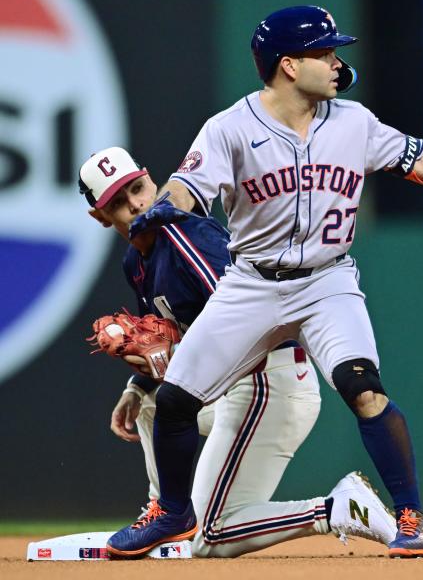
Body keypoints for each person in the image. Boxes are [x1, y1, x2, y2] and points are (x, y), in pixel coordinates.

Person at [104, 5, 423, 559]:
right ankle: (172, 513)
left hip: (327, 280)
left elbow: (421, 158)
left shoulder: (354, 122)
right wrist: (163, 208)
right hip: (251, 283)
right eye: (325, 52)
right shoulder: (230, 127)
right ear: (290, 66)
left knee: (363, 387)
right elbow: (186, 186)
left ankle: (412, 518)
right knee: (176, 399)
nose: (336, 62)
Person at [79, 147, 397, 558]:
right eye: (117, 203)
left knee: (208, 537)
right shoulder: (134, 261)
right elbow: (168, 336)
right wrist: (140, 385)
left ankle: (336, 509)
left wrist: (171, 351)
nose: (136, 204)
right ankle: (162, 513)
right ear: (100, 217)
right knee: (151, 401)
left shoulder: (186, 236)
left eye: (137, 189)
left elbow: (247, 324)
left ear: (151, 179)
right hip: (231, 388)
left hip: (269, 383)